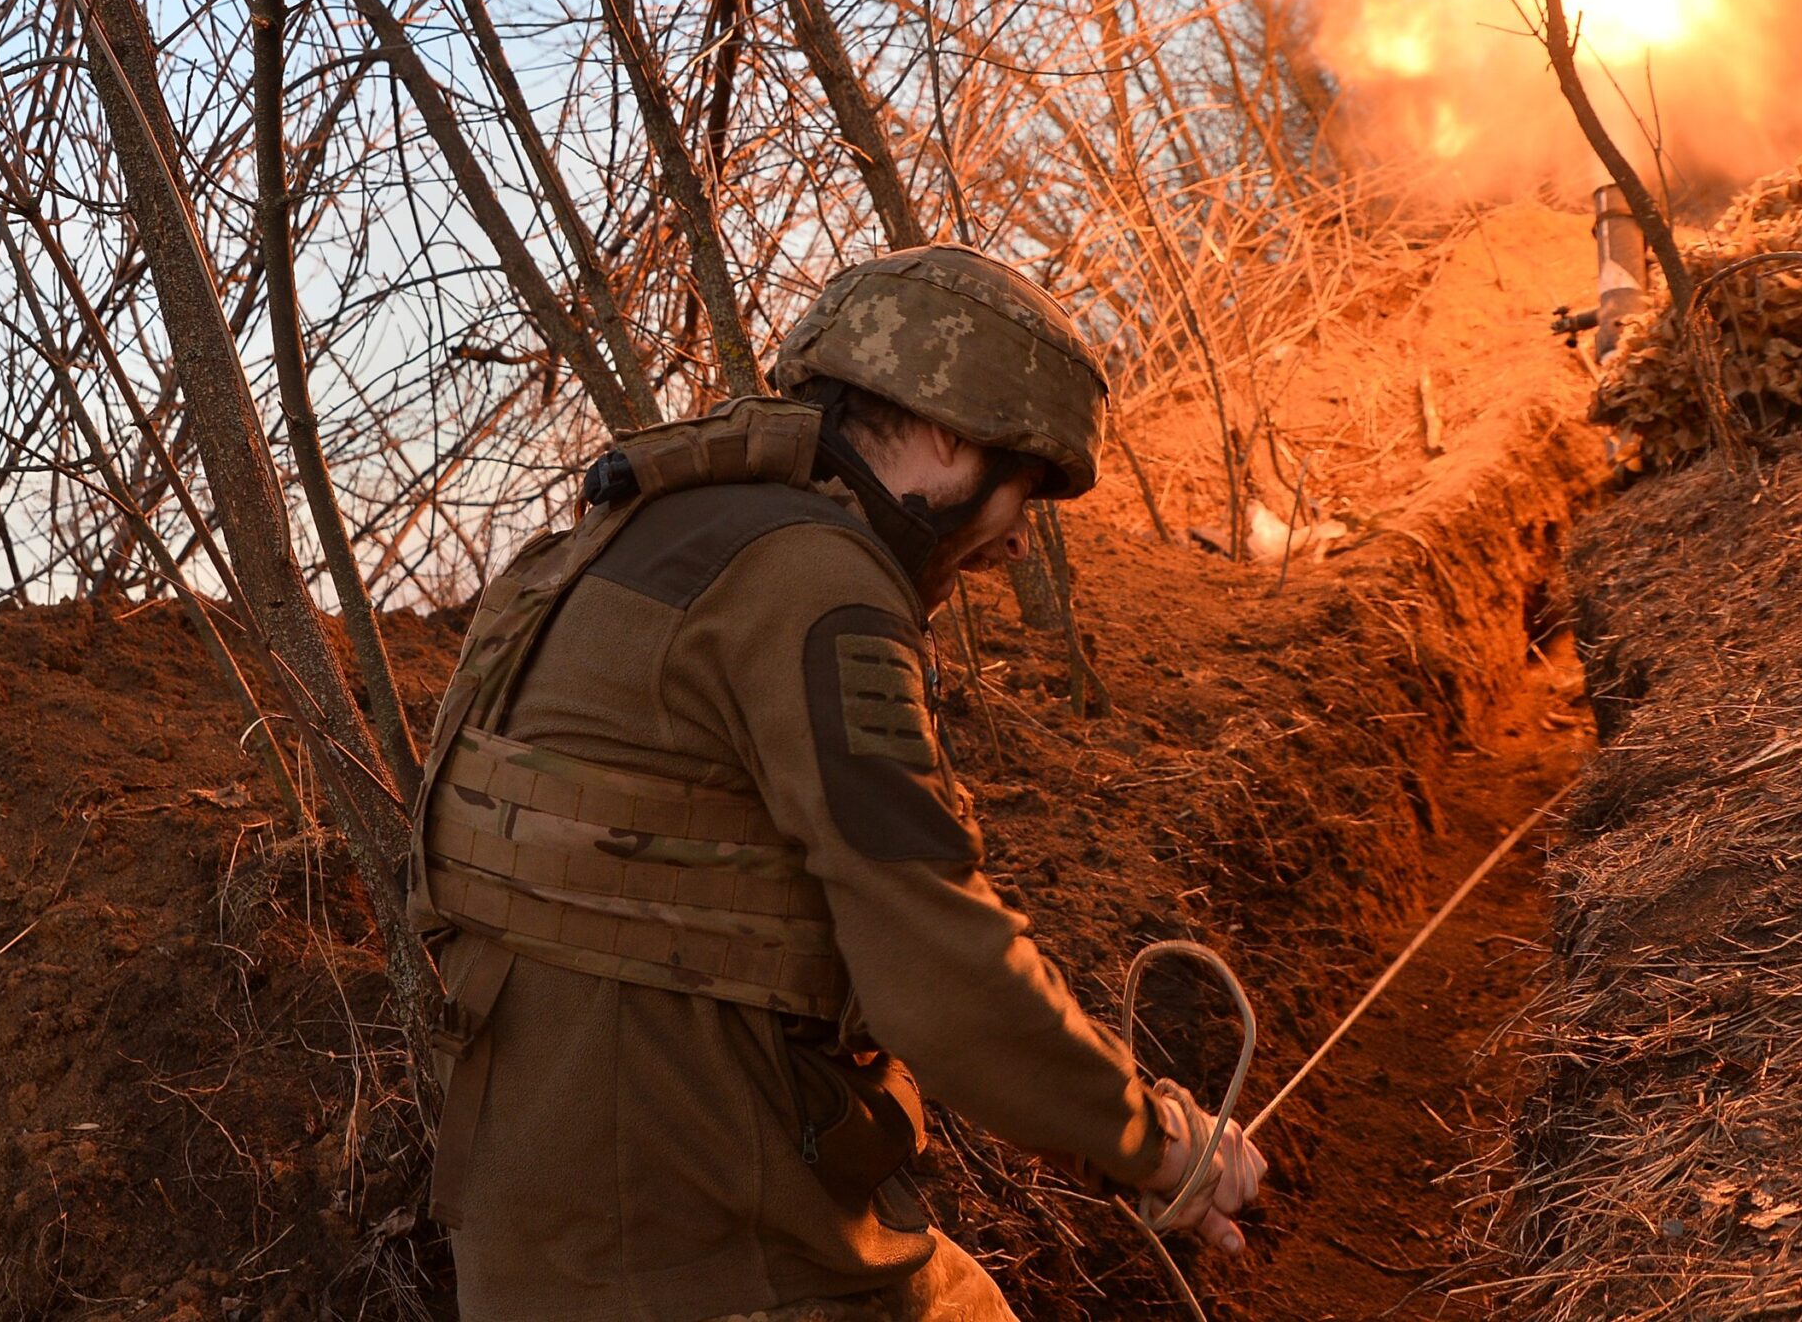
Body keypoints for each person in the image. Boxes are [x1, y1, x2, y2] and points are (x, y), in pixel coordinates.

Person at [407, 244, 1267, 1320]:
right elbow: (936, 962)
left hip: (545, 1246)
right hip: (710, 1250)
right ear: (950, 436)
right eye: (1025, 489)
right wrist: (1161, 1146)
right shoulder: (817, 583)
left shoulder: (655, 533)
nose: (1011, 543)